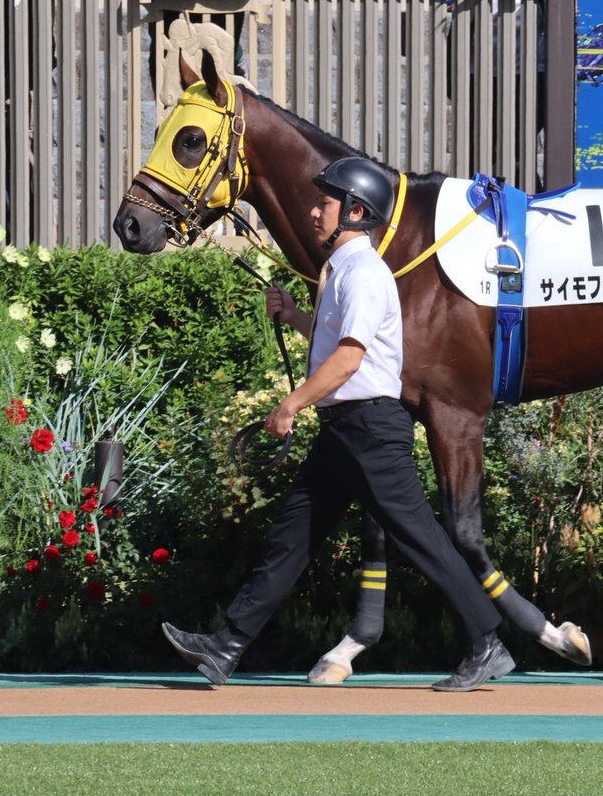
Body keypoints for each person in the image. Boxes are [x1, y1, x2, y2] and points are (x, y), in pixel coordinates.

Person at [161, 156, 515, 692]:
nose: (313, 211)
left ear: (355, 211)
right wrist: (294, 317)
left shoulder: (365, 273)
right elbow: (340, 345)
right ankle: (226, 646)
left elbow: (350, 359)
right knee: (292, 536)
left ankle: (486, 642)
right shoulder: (345, 271)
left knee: (420, 538)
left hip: (370, 428)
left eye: (324, 203)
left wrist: (290, 405)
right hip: (346, 430)